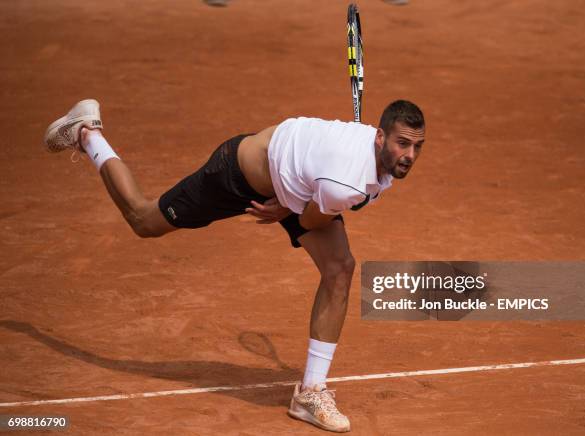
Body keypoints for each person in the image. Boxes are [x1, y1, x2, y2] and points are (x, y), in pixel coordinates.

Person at [43, 99, 425, 432]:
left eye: (416, 146)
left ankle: (310, 393)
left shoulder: (369, 164)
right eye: (401, 143)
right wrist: (293, 204)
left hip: (295, 183)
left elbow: (312, 206)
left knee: (340, 268)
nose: (408, 155)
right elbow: (310, 219)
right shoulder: (346, 183)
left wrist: (293, 201)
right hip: (238, 174)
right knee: (144, 220)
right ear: (379, 137)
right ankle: (88, 132)